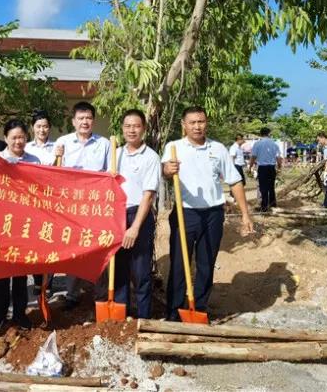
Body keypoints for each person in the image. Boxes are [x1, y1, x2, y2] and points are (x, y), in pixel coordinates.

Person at [161, 106, 255, 321]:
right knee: (179, 264)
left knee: (206, 263)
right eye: (192, 122)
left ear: (206, 123)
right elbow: (165, 172)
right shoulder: (174, 147)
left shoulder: (218, 148)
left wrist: (245, 214)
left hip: (213, 214)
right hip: (186, 213)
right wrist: (168, 170)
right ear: (183, 125)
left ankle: (200, 309)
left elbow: (234, 180)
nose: (197, 126)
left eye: (201, 122)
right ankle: (173, 314)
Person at [96, 109, 159, 318]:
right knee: (118, 269)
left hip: (138, 216)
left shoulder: (151, 157)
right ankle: (120, 316)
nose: (132, 130)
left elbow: (148, 196)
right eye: (128, 126)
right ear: (122, 129)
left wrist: (134, 227)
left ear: (144, 129)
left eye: (136, 126)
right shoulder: (116, 154)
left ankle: (143, 318)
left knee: (141, 271)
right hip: (116, 216)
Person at [53, 101, 110, 310]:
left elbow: (111, 175)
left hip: (96, 208)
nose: (84, 122)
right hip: (72, 210)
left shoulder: (104, 144)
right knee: (74, 250)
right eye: (80, 118)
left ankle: (101, 294)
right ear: (73, 121)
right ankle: (72, 294)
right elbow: (54, 175)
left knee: (99, 249)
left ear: (93, 121)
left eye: (88, 118)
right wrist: (57, 158)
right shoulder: (63, 143)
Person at [0, 119, 41, 330]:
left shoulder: (34, 161)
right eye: (13, 138)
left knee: (20, 275)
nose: (18, 141)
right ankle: (0, 319)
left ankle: (20, 314)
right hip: (2, 225)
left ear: (26, 138)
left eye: (21, 137)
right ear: (6, 139)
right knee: (1, 276)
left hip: (24, 225)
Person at [23, 110, 56, 295]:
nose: (42, 130)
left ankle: (48, 282)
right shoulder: (26, 148)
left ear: (49, 128)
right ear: (32, 128)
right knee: (35, 241)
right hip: (32, 202)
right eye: (38, 126)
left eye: (45, 126)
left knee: (50, 240)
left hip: (52, 203)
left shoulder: (58, 147)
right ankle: (37, 280)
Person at [249, 127, 281, 212]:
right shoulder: (274, 144)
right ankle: (272, 204)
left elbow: (253, 157)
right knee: (271, 186)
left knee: (263, 187)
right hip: (271, 167)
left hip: (262, 168)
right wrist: (279, 167)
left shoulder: (257, 144)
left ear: (260, 134)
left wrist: (250, 166)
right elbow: (278, 157)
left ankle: (264, 206)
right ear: (269, 133)